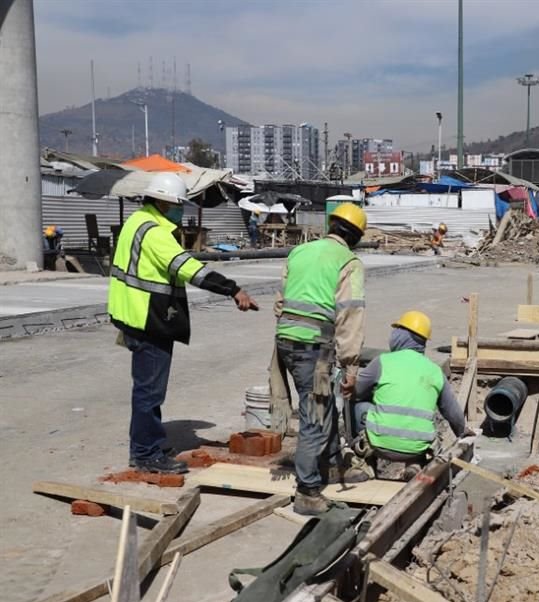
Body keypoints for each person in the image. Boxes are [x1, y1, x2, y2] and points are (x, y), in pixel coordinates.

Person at [108, 173, 258, 474]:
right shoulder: (154, 232)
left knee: (149, 390)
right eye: (178, 205)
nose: (181, 211)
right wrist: (232, 289)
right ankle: (145, 454)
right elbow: (189, 269)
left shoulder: (138, 221)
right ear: (164, 202)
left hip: (133, 315)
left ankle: (153, 442)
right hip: (147, 318)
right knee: (149, 392)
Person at [271, 203, 367, 516]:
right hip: (314, 347)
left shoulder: (301, 252)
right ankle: (308, 491)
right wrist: (351, 365)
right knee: (315, 414)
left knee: (324, 409)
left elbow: (280, 301)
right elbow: (350, 316)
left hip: (286, 342)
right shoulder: (349, 262)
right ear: (355, 238)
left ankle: (332, 465)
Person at [350, 311, 470, 481]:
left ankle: (365, 462)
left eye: (397, 329)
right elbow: (453, 414)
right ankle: (415, 463)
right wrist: (463, 433)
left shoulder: (382, 361)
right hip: (417, 448)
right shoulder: (435, 371)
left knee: (357, 405)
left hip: (379, 446)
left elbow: (356, 392)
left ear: (403, 335)